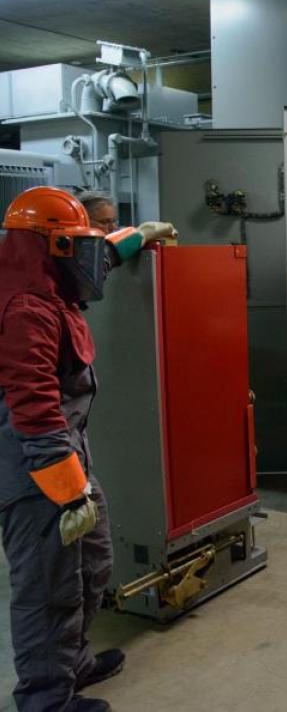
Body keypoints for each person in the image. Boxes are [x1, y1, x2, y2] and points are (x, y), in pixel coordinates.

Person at [0, 187, 177, 712]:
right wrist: (66, 490)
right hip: (35, 463)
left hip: (67, 451)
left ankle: (71, 662)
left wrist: (138, 236)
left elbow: (97, 257)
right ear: (49, 245)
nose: (87, 249)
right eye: (77, 239)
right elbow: (31, 408)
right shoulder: (26, 306)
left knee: (93, 560)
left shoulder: (49, 280)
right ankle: (46, 697)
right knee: (48, 582)